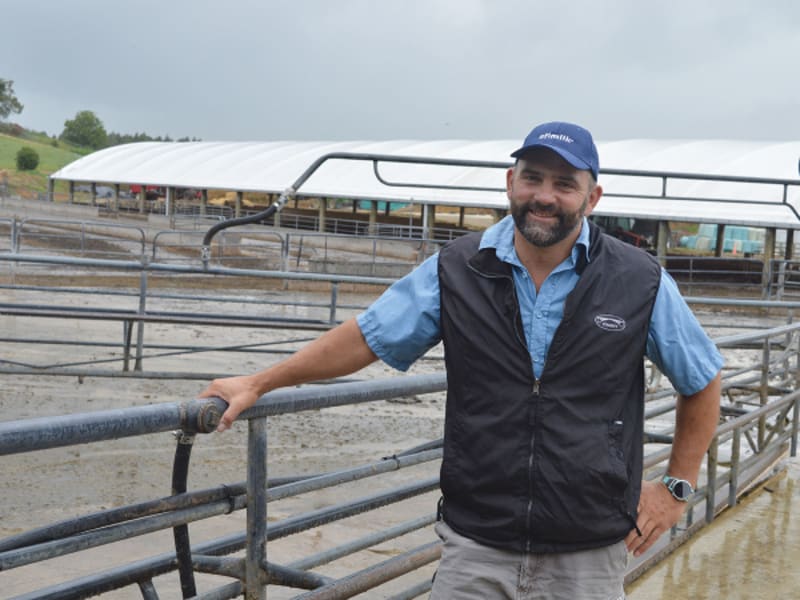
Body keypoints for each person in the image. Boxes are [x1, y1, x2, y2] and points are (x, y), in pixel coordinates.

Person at [200, 121, 723, 599]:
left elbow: (701, 379)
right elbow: (366, 337)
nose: (545, 196)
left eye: (564, 184)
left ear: (592, 197)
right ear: (509, 182)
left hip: (586, 551)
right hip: (476, 544)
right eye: (532, 178)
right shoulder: (456, 268)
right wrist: (261, 382)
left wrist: (676, 485)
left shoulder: (639, 279)